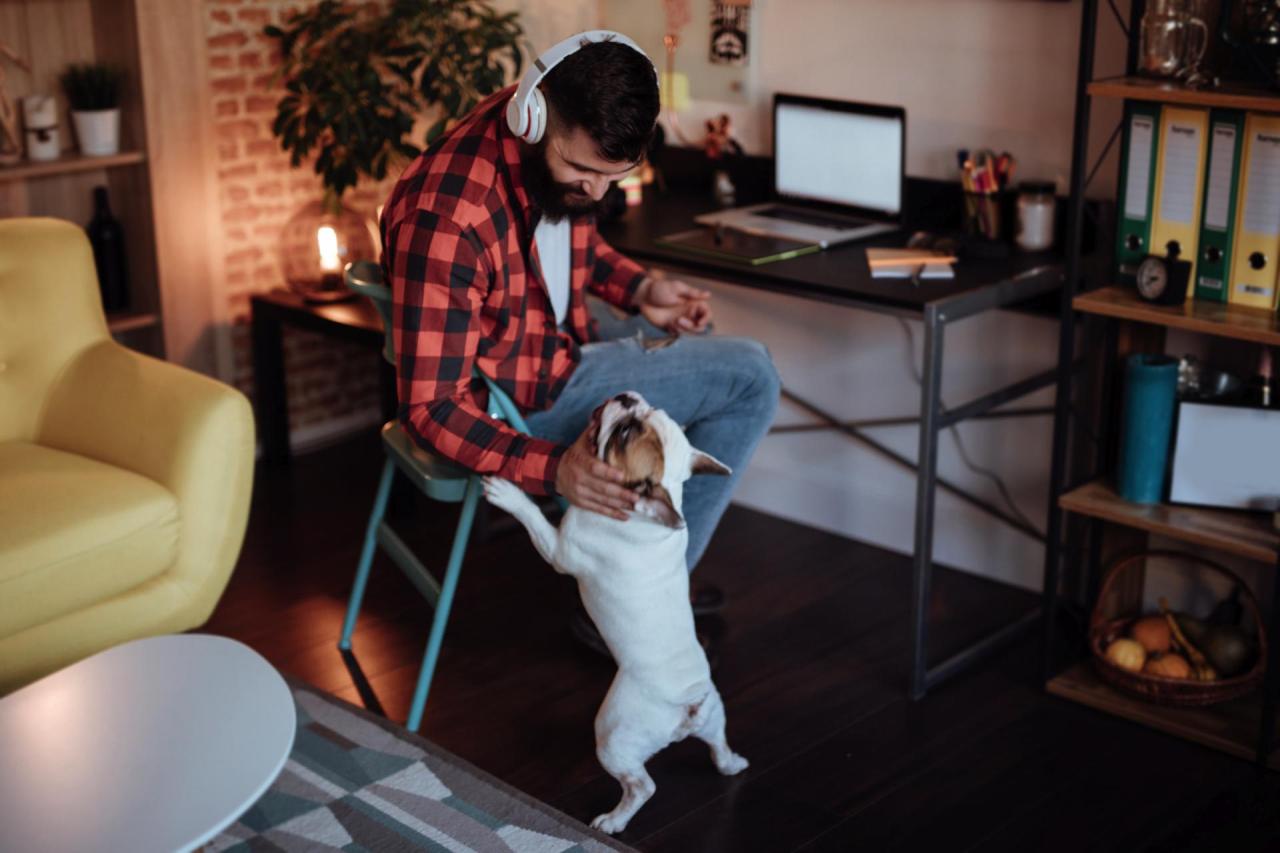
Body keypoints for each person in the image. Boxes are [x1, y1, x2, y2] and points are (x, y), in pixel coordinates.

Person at [380, 31, 779, 651]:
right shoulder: (448, 218)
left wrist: (642, 289)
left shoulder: (536, 137)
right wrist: (553, 469)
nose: (596, 192)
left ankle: (633, 569)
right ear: (534, 119)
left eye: (613, 176)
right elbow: (431, 409)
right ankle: (641, 598)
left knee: (711, 350)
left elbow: (568, 244)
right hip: (518, 399)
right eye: (583, 170)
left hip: (550, 340)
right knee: (751, 375)